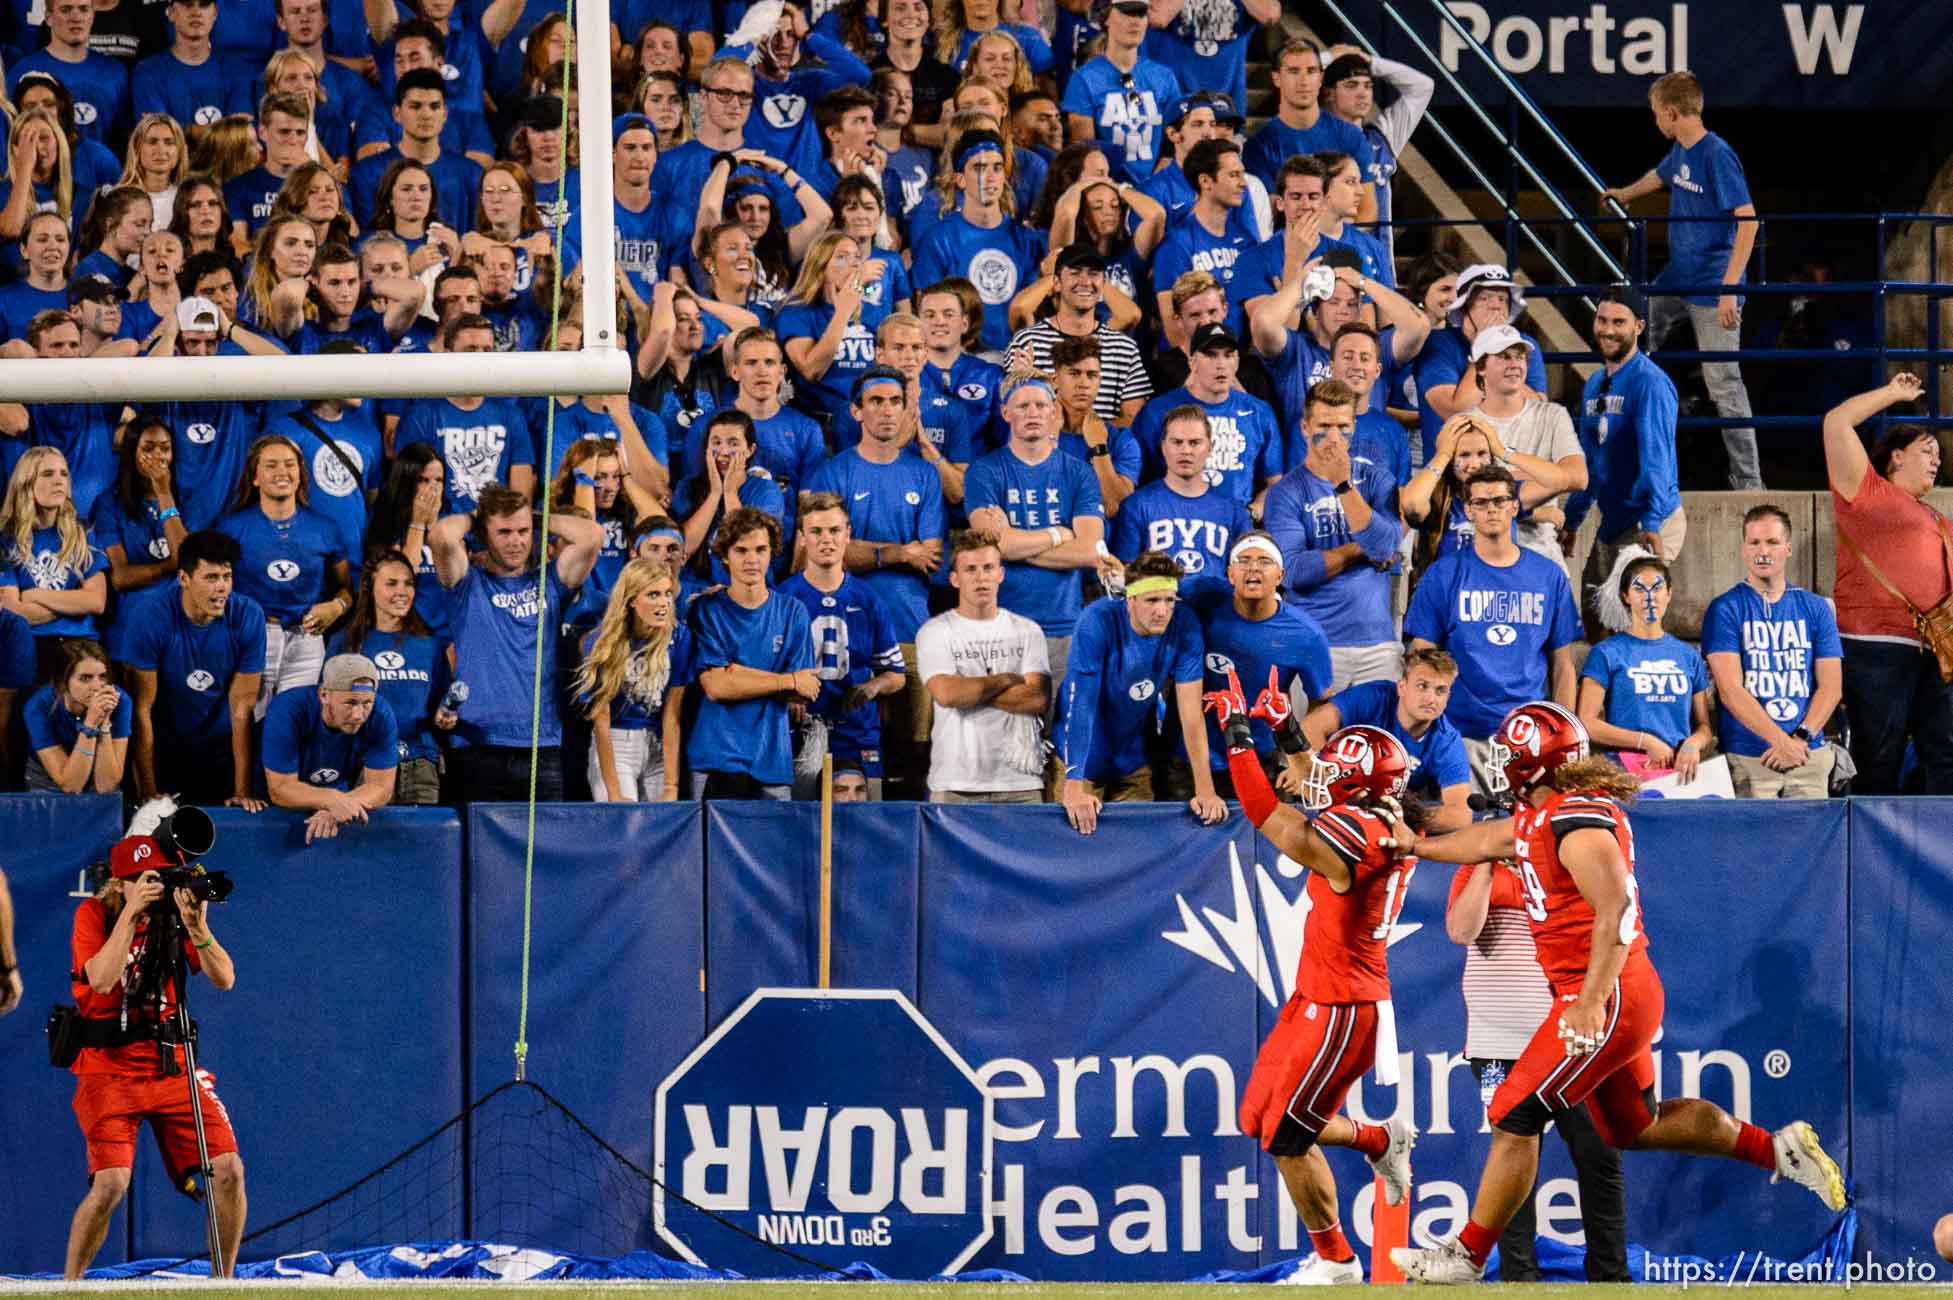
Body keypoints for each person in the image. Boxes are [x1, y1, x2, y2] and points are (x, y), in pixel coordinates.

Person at [1387, 702, 1847, 1284]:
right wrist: (1414, 846)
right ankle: (1777, 1150)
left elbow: (1617, 911)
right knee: (1632, 1127)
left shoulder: (1572, 819)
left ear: (1534, 763)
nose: (1501, 765)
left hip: (1605, 994)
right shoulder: (1544, 815)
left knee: (1511, 1111)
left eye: (1510, 755)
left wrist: (1588, 1001)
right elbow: (1483, 842)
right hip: (1608, 992)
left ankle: (1468, 1255)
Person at [1201, 670, 1415, 1285]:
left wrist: (1238, 735)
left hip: (1345, 1005)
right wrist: (1282, 726)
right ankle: (1377, 1140)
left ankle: (1338, 1262)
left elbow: (1270, 816)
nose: (1317, 770)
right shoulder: (1372, 814)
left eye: (1334, 767)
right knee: (1260, 1115)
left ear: (1358, 785)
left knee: (1285, 1138)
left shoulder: (1360, 837)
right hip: (1319, 994)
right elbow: (1321, 782)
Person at [63, 821, 244, 1280]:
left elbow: (225, 979)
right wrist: (130, 915)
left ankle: (223, 1284)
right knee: (110, 1185)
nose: (156, 888)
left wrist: (198, 928)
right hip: (110, 1071)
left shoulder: (173, 918)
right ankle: (68, 1288)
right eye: (146, 881)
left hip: (170, 1068)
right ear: (120, 884)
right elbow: (101, 980)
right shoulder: (95, 917)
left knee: (229, 1171)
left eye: (161, 878)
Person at [1443, 854, 1630, 1282]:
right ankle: (1518, 1280)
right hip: (1495, 1049)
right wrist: (1487, 865)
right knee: (1510, 1161)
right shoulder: (1477, 867)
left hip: (1567, 1044)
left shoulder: (1569, 861)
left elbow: (1607, 928)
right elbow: (1461, 930)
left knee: (1597, 1153)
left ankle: (1612, 1279)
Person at [1601, 69, 1761, 490]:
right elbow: (1660, 176)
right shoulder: (1681, 152)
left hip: (1712, 287)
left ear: (1671, 114)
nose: (1656, 121)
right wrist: (1625, 194)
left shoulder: (1716, 154)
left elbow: (1748, 222)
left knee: (1724, 385)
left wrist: (1729, 289)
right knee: (1628, 337)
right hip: (1676, 279)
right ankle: (1622, 453)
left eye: (1656, 114)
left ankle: (1749, 482)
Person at [1407, 465, 1581, 795]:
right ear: (1469, 510)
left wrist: (1563, 733)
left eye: (1500, 501)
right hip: (1460, 735)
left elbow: (1563, 665)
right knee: (1468, 836)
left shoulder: (1548, 577)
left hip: (1529, 736)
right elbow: (1421, 659)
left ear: (1515, 506)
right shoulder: (1443, 575)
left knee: (1527, 839)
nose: (1491, 509)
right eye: (1481, 502)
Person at [1819, 372, 1953, 794]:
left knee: (1946, 754)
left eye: (1939, 454)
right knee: (1878, 759)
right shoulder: (1865, 490)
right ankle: (1869, 856)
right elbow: (1836, 423)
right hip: (1875, 646)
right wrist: (1894, 394)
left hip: (1936, 653)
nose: (1937, 459)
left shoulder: (1938, 518)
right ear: (1895, 457)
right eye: (1926, 450)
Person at [429, 483, 603, 803]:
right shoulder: (466, 585)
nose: (517, 541)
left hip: (542, 748)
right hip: (478, 747)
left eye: (523, 531)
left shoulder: (550, 582)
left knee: (544, 852)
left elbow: (592, 536)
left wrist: (537, 517)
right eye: (504, 532)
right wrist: (476, 517)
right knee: (482, 853)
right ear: (484, 534)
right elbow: (441, 534)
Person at [1055, 551, 1224, 831]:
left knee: (1138, 855)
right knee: (1073, 856)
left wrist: (1204, 788)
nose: (1162, 610)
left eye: (1169, 600)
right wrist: (1073, 783)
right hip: (1080, 758)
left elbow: (1191, 714)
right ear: (1130, 600)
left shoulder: (1184, 624)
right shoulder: (1097, 620)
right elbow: (1081, 705)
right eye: (1151, 600)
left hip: (1133, 758)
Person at [964, 375, 1105, 688]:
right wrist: (1058, 534)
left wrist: (1014, 539)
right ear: (1005, 413)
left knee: (1059, 733)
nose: (1032, 413)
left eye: (1040, 405)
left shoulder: (1078, 472)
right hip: (999, 623)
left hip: (1064, 625)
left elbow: (1089, 551)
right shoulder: (984, 471)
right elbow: (994, 545)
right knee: (1001, 733)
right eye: (1022, 405)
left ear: (1054, 412)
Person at [1263, 379, 1401, 691]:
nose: (1334, 438)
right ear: (1305, 428)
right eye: (1324, 425)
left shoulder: (1378, 480)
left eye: (1343, 426)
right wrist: (1357, 549)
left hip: (1378, 644)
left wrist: (1344, 488)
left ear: (1354, 426)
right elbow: (1294, 572)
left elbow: (1384, 548)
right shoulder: (1285, 492)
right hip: (1315, 642)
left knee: (1376, 740)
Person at [1702, 505, 1843, 799]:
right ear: (1743, 549)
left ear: (1788, 548)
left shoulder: (1816, 608)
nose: (1762, 551)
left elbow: (1831, 688)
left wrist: (1799, 740)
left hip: (1807, 755)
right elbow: (1730, 691)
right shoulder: (1725, 608)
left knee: (1813, 843)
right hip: (1751, 757)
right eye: (1754, 543)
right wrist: (1781, 743)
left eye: (1772, 542)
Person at [1566, 287, 1685, 629]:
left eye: (1619, 322)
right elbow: (1591, 462)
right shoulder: (1594, 384)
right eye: (1602, 320)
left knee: (1631, 624)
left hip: (1650, 517)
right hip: (1614, 521)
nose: (1608, 329)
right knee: (1592, 616)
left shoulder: (1650, 383)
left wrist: (1650, 523)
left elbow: (1656, 460)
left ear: (1639, 327)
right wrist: (1573, 519)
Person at [121, 531, 266, 808]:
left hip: (221, 747)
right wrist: (148, 791)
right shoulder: (150, 616)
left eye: (227, 577)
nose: (222, 587)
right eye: (211, 578)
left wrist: (242, 790)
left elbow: (241, 709)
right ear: (184, 579)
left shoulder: (249, 616)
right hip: (166, 747)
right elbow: (142, 710)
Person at [778, 493, 907, 800]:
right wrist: (785, 693)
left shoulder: (868, 599)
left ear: (848, 534)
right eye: (817, 532)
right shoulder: (782, 599)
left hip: (857, 733)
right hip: (800, 734)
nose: (827, 540)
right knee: (804, 830)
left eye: (834, 531)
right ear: (802, 537)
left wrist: (873, 687)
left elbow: (896, 674)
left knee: (866, 830)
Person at [1184, 531, 1331, 798]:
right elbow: (1155, 586)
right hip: (1187, 760)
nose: (1253, 567)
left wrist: (1300, 762)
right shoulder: (1202, 596)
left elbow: (1320, 704)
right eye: (1243, 560)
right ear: (1229, 574)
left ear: (1281, 576)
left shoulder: (1306, 635)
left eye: (1265, 561)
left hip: (1260, 757)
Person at [688, 507, 818, 800]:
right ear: (724, 555)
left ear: (772, 552)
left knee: (775, 847)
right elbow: (717, 686)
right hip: (716, 758)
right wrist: (787, 680)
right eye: (741, 550)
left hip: (773, 761)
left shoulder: (792, 611)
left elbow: (805, 690)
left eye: (760, 549)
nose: (752, 560)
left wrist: (737, 673)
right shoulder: (707, 609)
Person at [216, 433, 352, 708]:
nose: (282, 472)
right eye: (271, 465)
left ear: (300, 474)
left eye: (289, 464)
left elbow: (348, 588)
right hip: (251, 638)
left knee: (294, 723)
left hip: (306, 640)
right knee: (248, 723)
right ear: (255, 477)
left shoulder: (325, 529)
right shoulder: (232, 528)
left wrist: (336, 607)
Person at [915, 528, 1050, 802]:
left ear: (1000, 574)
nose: (981, 578)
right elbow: (947, 694)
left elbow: (1037, 699)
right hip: (956, 782)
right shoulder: (935, 631)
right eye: (971, 569)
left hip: (1020, 783)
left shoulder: (1028, 630)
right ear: (954, 579)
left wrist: (971, 690)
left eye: (988, 568)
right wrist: (1006, 680)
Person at [329, 548, 452, 806]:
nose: (402, 592)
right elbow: (330, 711)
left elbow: (440, 703)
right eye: (391, 583)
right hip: (366, 764)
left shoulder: (429, 644)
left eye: (409, 584)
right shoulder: (347, 643)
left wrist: (446, 715)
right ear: (369, 588)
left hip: (421, 765)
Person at [1403, 413, 1579, 590]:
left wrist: (1503, 451)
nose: (1474, 464)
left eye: (1482, 454)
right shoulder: (1437, 496)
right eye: (1464, 455)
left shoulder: (1508, 493)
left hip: (1496, 604)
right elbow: (1411, 504)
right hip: (1446, 603)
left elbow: (1566, 479)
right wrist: (1442, 454)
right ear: (1450, 459)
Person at [1578, 554, 1714, 782]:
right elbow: (1587, 723)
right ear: (1626, 596)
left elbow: (1704, 726)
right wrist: (1645, 741)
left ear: (1669, 594)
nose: (1649, 597)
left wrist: (1693, 744)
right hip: (1623, 772)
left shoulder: (1689, 656)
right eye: (1639, 589)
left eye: (1657, 588)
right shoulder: (1606, 652)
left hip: (1678, 771)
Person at [909, 129, 1046, 357]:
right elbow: (926, 311)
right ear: (960, 179)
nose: (990, 177)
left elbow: (1031, 313)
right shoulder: (938, 239)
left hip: (1017, 356)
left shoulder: (1026, 240)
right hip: (960, 358)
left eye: (997, 167)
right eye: (979, 168)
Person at [1304, 648, 1471, 832]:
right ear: (1402, 687)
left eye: (1440, 691)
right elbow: (1311, 727)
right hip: (1336, 795)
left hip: (1392, 806)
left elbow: (1460, 815)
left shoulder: (1446, 741)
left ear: (1448, 698)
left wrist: (1395, 816)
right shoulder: (1374, 697)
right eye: (1422, 686)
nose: (1431, 698)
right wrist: (1324, 777)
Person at [1463, 323, 1587, 565]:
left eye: (1520, 357)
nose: (1515, 364)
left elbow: (1577, 478)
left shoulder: (1553, 415)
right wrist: (1537, 503)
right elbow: (1464, 496)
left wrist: (1504, 455)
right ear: (1480, 368)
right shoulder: (1462, 423)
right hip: (1480, 557)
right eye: (1504, 357)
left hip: (1541, 554)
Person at [573, 558, 692, 803]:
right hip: (617, 744)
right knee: (624, 831)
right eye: (653, 594)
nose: (664, 602)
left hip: (658, 744)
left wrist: (671, 785)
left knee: (662, 833)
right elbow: (601, 721)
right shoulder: (600, 642)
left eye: (667, 593)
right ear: (631, 601)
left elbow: (672, 715)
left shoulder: (679, 637)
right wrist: (614, 793)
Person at [1132, 323, 1282, 509]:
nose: (1221, 364)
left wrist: (1256, 510)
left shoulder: (1259, 412)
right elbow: (1136, 477)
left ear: (1237, 361)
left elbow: (1274, 481)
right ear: (1192, 361)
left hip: (1236, 524)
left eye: (1228, 355)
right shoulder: (1157, 411)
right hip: (1173, 517)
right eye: (1211, 355)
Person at [1004, 241, 1150, 425]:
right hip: (1046, 449)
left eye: (1093, 274)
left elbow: (1134, 418)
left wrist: (1088, 436)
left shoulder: (1123, 347)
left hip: (1104, 449)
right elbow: (1012, 411)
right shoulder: (1028, 341)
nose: (1085, 281)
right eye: (1074, 273)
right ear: (1056, 283)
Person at [262, 651, 399, 842]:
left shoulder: (381, 715)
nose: (359, 714)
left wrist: (340, 805)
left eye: (367, 702)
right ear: (324, 695)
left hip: (337, 806)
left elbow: (380, 786)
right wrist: (331, 800)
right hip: (276, 807)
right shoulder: (288, 710)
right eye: (350, 703)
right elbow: (280, 789)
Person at [1414, 263, 1549, 457]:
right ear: (1464, 308)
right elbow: (1456, 410)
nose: (1495, 306)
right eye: (1484, 298)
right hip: (1449, 471)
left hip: (1508, 469)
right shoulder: (1438, 343)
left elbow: (1538, 413)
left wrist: (1502, 348)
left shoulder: (1526, 345)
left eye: (1502, 299)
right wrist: (1484, 349)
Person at [1110, 405, 1253, 579]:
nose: (1186, 450)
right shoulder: (1136, 506)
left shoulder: (1234, 512)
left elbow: (1245, 577)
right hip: (1157, 603)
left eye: (1194, 443)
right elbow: (1126, 573)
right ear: (1163, 446)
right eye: (1177, 442)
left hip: (1215, 604)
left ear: (1210, 447)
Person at [1320, 46, 1434, 262]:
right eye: (1351, 86)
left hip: (1379, 260)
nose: (1363, 93)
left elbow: (1423, 86)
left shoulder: (1383, 136)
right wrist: (1328, 58)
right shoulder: (1312, 138)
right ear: (1329, 93)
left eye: (1368, 86)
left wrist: (1371, 62)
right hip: (1328, 255)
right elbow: (1287, 79)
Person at [0, 447, 111, 663]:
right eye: (48, 474)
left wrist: (35, 595)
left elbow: (96, 601)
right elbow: (14, 613)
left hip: (83, 645)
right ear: (27, 482)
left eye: (64, 474)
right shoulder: (5, 540)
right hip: (30, 646)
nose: (59, 481)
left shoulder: (83, 534)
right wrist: (74, 605)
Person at [1059, 0, 1180, 189]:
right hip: (1105, 188)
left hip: (1158, 187)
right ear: (1106, 17)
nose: (1136, 22)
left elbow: (1175, 143)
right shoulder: (1084, 79)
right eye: (1127, 13)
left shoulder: (1164, 77)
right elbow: (1085, 152)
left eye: (1141, 14)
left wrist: (1154, 187)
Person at [1149, 139, 1258, 337]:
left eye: (1242, 174)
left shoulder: (1246, 240)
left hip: (1235, 358)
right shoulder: (1177, 243)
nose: (1243, 183)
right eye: (1234, 175)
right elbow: (1172, 324)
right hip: (1191, 361)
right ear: (1206, 181)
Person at [1242, 39, 1367, 194]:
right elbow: (1271, 211)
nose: (1304, 81)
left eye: (1311, 71)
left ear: (1321, 78)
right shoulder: (1258, 147)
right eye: (1294, 71)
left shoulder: (1351, 136)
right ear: (1276, 78)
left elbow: (1366, 209)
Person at [23, 637, 128, 793]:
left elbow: (106, 786)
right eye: (85, 678)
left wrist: (104, 722)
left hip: (96, 770)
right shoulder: (37, 707)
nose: (97, 687)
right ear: (63, 682)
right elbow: (71, 786)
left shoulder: (121, 701)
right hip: (47, 779)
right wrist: (91, 724)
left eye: (103, 677)